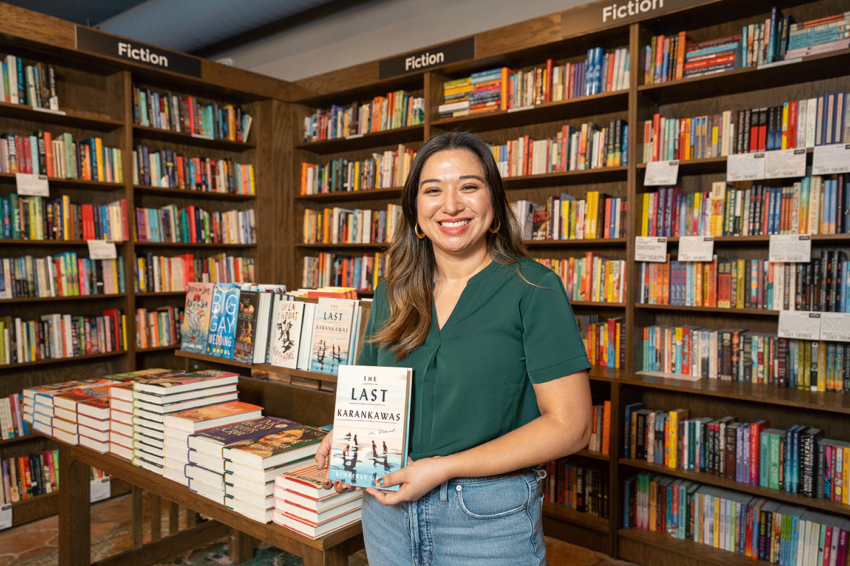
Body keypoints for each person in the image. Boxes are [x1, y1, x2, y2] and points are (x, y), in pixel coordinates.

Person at [315, 131, 592, 565]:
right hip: (387, 509)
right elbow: (372, 389)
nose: (451, 205)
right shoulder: (393, 290)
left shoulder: (533, 287)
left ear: (494, 206)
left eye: (469, 186)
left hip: (487, 518)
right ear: (416, 212)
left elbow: (571, 426)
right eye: (432, 190)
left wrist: (443, 467)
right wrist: (350, 432)